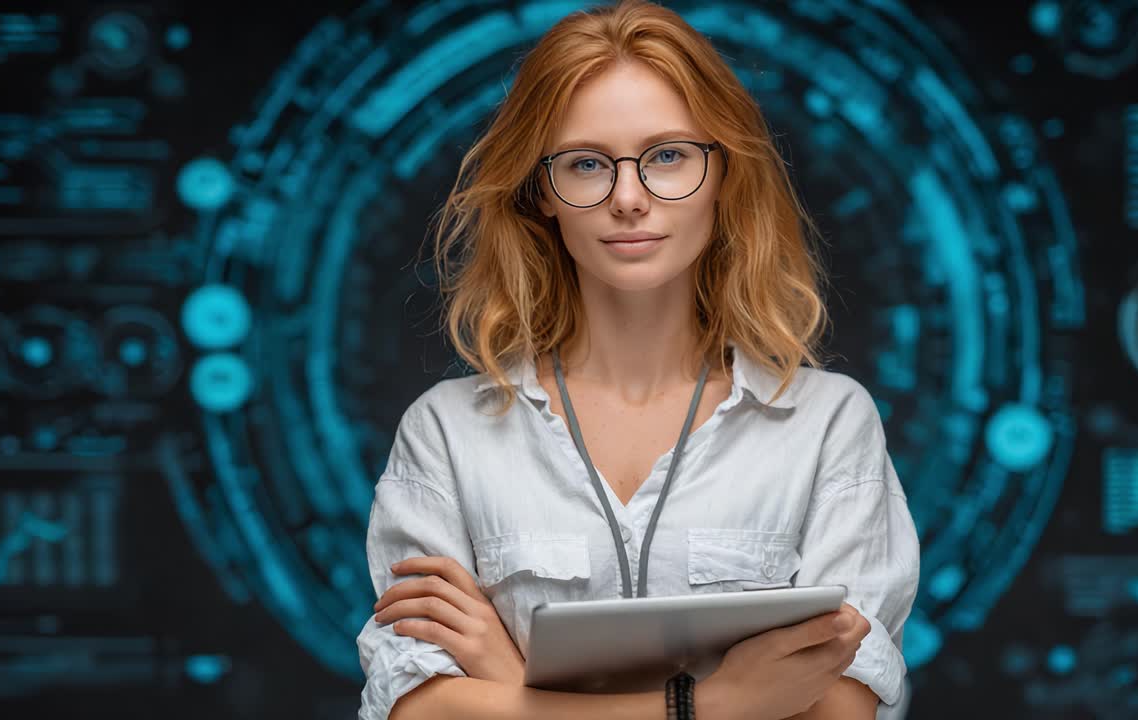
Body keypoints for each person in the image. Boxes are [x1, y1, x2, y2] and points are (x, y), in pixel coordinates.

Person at [355, 1, 920, 718]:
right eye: (587, 164)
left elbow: (839, 712)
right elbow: (418, 712)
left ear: (724, 175)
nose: (629, 198)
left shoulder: (829, 424)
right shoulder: (445, 434)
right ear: (541, 193)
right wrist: (722, 703)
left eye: (668, 157)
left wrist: (511, 685)